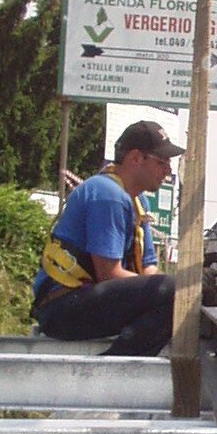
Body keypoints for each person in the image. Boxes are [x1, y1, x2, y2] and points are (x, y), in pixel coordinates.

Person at [31, 119, 181, 356]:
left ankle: (124, 359)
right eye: (162, 162)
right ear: (135, 158)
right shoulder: (106, 195)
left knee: (179, 293)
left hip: (87, 300)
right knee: (174, 292)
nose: (168, 171)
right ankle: (113, 368)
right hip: (62, 308)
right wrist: (175, 290)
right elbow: (109, 274)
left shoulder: (138, 202)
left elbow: (148, 271)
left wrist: (191, 290)